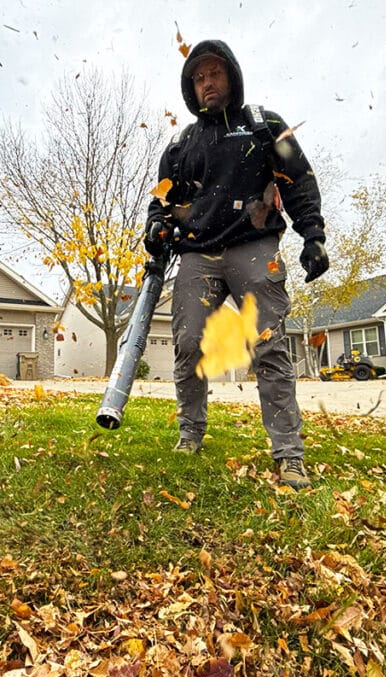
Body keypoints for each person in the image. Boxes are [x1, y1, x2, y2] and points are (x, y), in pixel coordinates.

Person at [144, 39, 329, 490]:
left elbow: (298, 180)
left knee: (269, 346)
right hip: (197, 254)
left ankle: (288, 454)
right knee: (188, 345)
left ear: (231, 76)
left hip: (254, 246)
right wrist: (155, 227)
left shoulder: (264, 125)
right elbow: (163, 201)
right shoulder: (182, 144)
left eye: (215, 74)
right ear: (192, 87)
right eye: (199, 78)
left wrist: (314, 236)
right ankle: (190, 434)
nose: (207, 83)